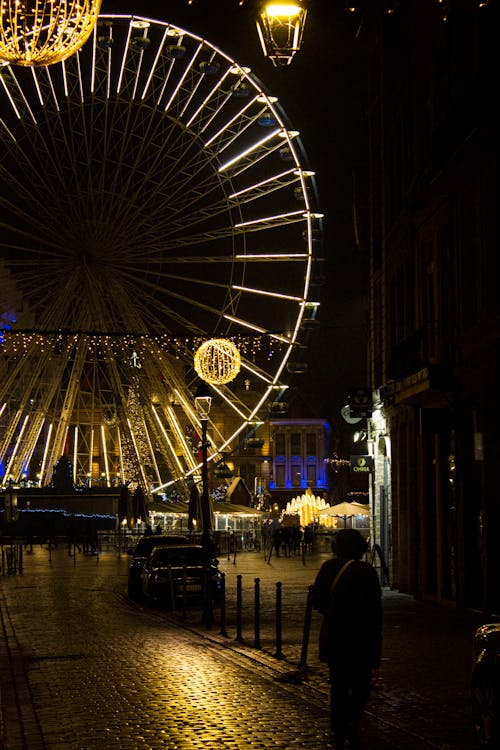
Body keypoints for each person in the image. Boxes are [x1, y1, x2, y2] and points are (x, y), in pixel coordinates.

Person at [312, 529, 382, 750]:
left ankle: (339, 728)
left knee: (338, 684)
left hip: (336, 635)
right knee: (361, 685)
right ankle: (352, 718)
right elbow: (375, 612)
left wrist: (334, 611)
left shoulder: (328, 568)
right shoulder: (368, 572)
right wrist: (376, 655)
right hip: (361, 637)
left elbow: (318, 601)